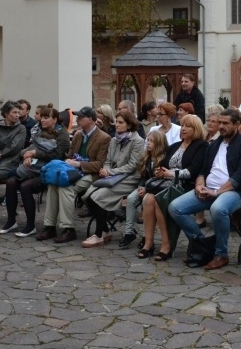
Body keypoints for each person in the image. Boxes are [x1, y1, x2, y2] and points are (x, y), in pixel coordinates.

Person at [169, 108, 241, 270]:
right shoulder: (214, 144)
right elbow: (203, 170)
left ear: (237, 124)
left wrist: (216, 192)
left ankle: (221, 254)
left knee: (218, 208)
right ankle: (202, 244)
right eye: (220, 123)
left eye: (225, 123)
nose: (221, 126)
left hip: (235, 192)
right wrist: (199, 185)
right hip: (208, 189)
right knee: (175, 207)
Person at [38, 107, 111, 243]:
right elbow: (70, 155)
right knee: (53, 184)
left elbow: (100, 164)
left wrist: (78, 164)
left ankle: (68, 229)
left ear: (90, 119)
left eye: (81, 117)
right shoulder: (78, 135)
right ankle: (50, 226)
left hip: (91, 174)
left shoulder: (104, 138)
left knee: (66, 187)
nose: (77, 119)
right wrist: (69, 160)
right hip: (74, 171)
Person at [138, 116, 207, 260]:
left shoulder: (201, 146)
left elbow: (193, 171)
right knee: (148, 198)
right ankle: (148, 243)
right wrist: (161, 172)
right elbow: (164, 164)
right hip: (166, 184)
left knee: (158, 199)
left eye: (188, 126)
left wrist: (172, 173)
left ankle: (166, 245)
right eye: (182, 125)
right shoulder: (175, 146)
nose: (183, 129)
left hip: (185, 186)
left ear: (196, 129)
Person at [0, 105, 70, 237]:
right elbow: (29, 148)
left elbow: (57, 155)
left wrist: (35, 153)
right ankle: (11, 221)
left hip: (49, 171)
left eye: (46, 117)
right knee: (11, 182)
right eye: (41, 117)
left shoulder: (63, 134)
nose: (42, 120)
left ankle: (30, 226)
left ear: (55, 119)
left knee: (25, 186)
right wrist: (29, 155)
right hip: (33, 167)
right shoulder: (39, 131)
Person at [82, 112, 145, 248]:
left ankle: (99, 235)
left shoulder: (137, 141)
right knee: (87, 196)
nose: (116, 124)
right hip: (112, 177)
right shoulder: (114, 140)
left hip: (129, 179)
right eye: (116, 121)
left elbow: (132, 166)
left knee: (99, 196)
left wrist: (110, 171)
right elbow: (108, 161)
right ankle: (105, 229)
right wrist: (105, 170)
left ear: (129, 125)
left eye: (121, 122)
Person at [120, 130, 168, 250]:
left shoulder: (164, 159)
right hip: (145, 187)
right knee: (131, 198)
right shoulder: (146, 157)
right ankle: (129, 232)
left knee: (146, 202)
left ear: (159, 144)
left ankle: (147, 237)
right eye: (148, 140)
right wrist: (141, 187)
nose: (148, 143)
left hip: (157, 190)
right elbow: (143, 176)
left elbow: (161, 181)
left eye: (152, 141)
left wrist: (146, 189)